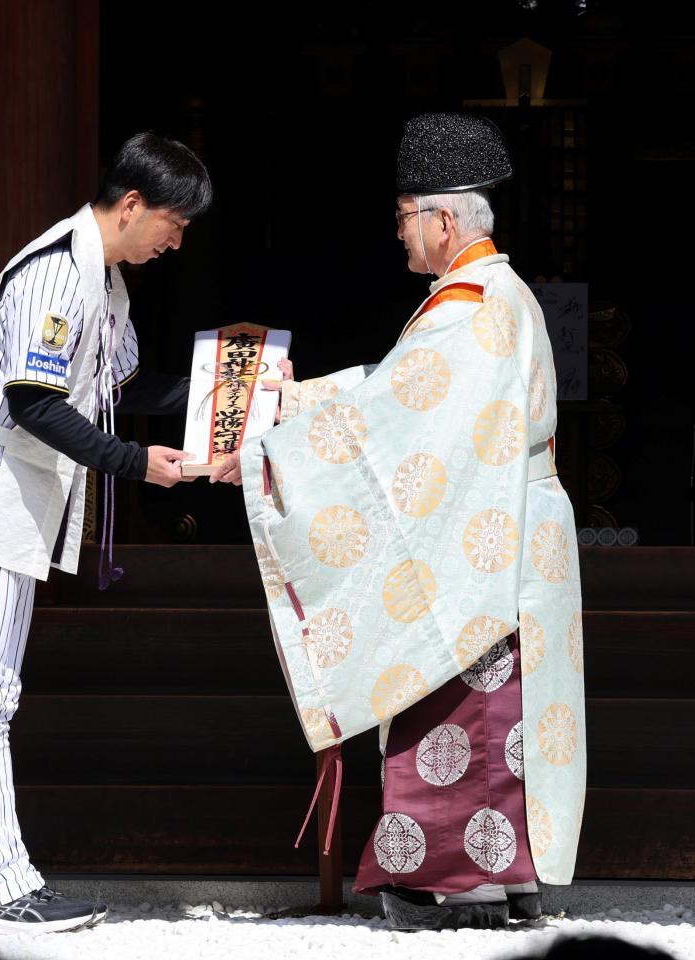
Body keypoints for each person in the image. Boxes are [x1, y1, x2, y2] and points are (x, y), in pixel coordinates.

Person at [216, 113, 585, 931]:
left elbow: (394, 416)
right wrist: (296, 399)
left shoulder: (470, 306)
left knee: (462, 695)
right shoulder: (490, 297)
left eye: (403, 217)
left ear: (443, 220)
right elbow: (398, 392)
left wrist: (271, 439)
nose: (398, 235)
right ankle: (501, 876)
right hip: (506, 520)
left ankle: (460, 881)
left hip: (490, 529)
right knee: (492, 701)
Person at [0, 132, 211, 932]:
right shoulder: (53, 273)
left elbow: (129, 386)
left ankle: (2, 881)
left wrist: (233, 382)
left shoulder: (102, 280)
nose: (177, 240)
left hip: (10, 498)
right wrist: (136, 466)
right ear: (131, 205)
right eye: (173, 222)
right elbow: (36, 402)